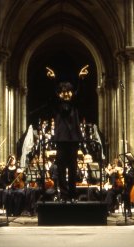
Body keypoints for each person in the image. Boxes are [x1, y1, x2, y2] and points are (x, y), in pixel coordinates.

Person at [46, 64, 89, 202]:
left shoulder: (75, 104)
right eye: (64, 92)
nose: (67, 94)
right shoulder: (57, 106)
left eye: (69, 91)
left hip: (73, 140)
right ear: (60, 93)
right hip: (61, 140)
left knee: (72, 168)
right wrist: (53, 81)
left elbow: (80, 94)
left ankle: (72, 195)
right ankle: (64, 195)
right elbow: (52, 97)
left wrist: (80, 79)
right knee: (61, 169)